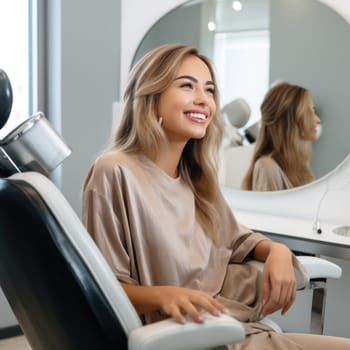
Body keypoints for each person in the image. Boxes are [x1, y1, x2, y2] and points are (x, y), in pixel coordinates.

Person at [82, 44, 350, 349]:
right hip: (185, 338)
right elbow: (102, 289)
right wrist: (165, 295)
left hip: (233, 328)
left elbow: (239, 240)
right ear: (151, 96)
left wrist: (276, 250)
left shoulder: (197, 180)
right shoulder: (114, 171)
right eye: (187, 86)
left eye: (209, 90)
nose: (203, 100)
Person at [241, 82, 321, 191]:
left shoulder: (299, 168)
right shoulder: (267, 167)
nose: (317, 120)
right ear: (294, 120)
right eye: (311, 112)